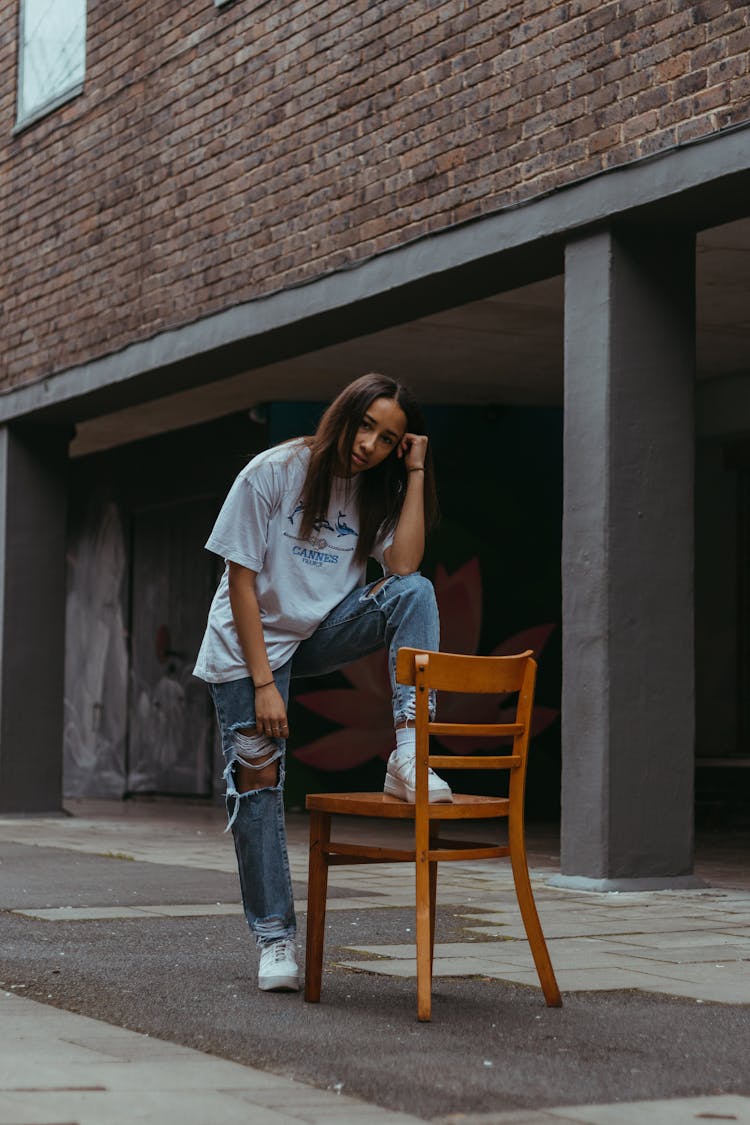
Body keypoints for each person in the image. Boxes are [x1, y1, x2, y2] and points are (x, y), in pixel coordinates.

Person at [193, 372, 451, 993]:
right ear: (345, 415)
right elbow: (241, 583)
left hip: (319, 631)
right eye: (366, 426)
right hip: (249, 643)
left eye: (388, 439)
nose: (370, 445)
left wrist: (414, 472)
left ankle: (410, 751)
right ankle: (275, 937)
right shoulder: (274, 471)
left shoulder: (377, 490)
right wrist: (263, 685)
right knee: (259, 776)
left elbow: (405, 566)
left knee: (414, 592)